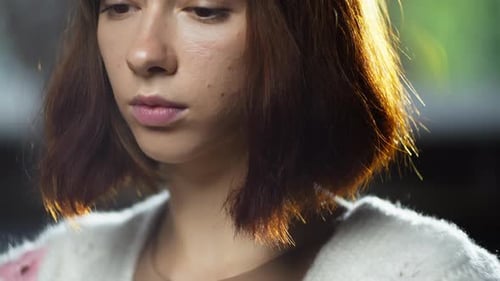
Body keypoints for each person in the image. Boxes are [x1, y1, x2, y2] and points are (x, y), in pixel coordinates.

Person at [1, 0, 499, 280]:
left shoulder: (427, 272)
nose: (144, 52)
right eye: (121, 7)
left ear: (301, 29)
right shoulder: (52, 270)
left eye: (204, 10)